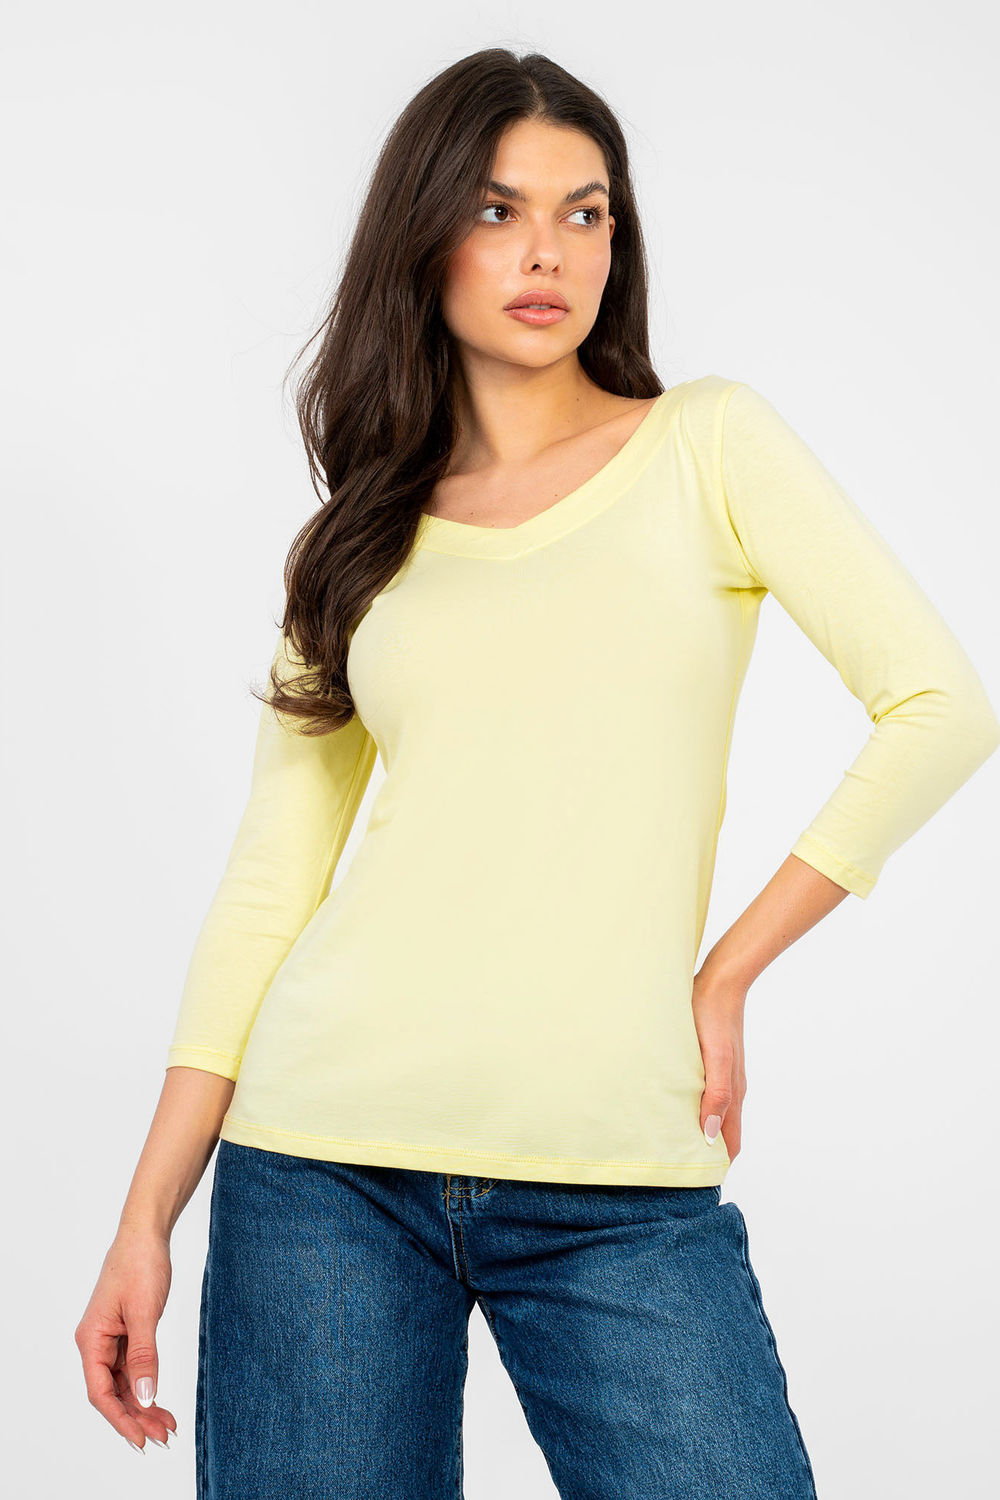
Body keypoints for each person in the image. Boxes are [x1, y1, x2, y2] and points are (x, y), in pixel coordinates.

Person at [75, 47, 999, 1499]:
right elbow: (270, 886)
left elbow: (941, 705)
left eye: (586, 212)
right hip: (320, 1172)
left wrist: (727, 972)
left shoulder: (707, 446)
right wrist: (147, 1216)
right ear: (424, 233)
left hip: (618, 1177)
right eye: (499, 210)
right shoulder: (357, 543)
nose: (547, 252)